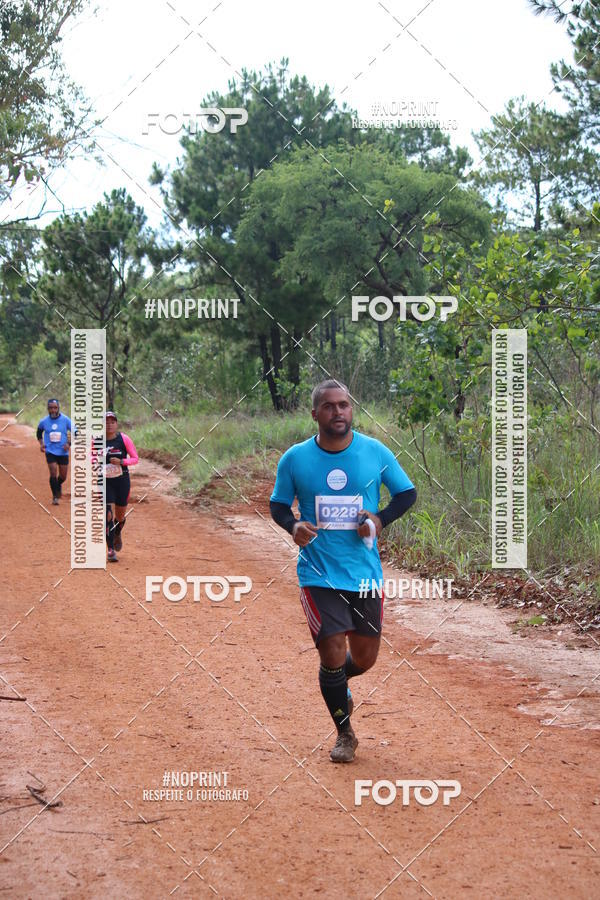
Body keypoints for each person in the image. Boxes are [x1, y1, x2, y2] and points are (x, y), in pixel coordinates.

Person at [270, 380, 416, 763]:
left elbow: (407, 493)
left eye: (344, 405)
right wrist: (293, 526)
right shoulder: (295, 458)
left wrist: (379, 519)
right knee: (332, 650)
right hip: (318, 573)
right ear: (315, 413)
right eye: (329, 406)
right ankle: (345, 734)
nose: (338, 412)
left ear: (352, 410)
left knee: (364, 659)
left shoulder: (374, 451)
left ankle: (337, 681)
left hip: (364, 574)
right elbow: (278, 504)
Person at [103, 411, 138, 562]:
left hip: (122, 480)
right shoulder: (97, 440)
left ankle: (117, 531)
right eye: (106, 422)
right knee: (108, 515)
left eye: (112, 422)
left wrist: (122, 462)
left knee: (120, 516)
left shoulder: (124, 439)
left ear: (116, 424)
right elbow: (89, 457)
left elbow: (135, 458)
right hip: (105, 482)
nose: (109, 425)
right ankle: (110, 549)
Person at [36, 398, 74, 506]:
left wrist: (69, 443)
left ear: (58, 408)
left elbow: (75, 432)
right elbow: (39, 433)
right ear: (48, 409)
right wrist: (41, 444)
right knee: (53, 472)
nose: (53, 410)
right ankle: (55, 496)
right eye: (50, 408)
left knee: (63, 476)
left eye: (55, 408)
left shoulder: (66, 420)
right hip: (50, 450)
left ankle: (58, 484)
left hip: (63, 452)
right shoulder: (44, 421)